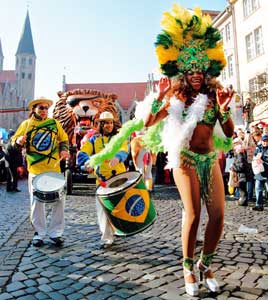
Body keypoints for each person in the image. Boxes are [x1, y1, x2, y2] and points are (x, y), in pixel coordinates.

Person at [136, 5, 234, 296]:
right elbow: (148, 121)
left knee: (218, 215)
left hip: (209, 159)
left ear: (206, 73)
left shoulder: (215, 98)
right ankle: (188, 266)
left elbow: (228, 133)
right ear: (182, 73)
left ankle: (207, 263)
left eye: (200, 71)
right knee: (193, 214)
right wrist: (161, 97)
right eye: (190, 71)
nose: (195, 75)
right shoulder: (175, 100)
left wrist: (225, 111)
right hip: (184, 161)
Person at [11, 97, 69, 247]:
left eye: (46, 108)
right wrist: (18, 142)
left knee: (59, 202)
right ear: (34, 109)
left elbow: (64, 140)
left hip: (54, 170)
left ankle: (56, 233)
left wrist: (63, 150)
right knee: (37, 203)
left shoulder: (54, 124)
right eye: (41, 108)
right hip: (36, 170)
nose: (44, 111)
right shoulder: (27, 124)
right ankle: (39, 233)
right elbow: (13, 142)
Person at [77, 111, 128, 248]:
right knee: (103, 210)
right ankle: (107, 238)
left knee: (117, 208)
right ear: (101, 124)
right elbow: (83, 153)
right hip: (102, 180)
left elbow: (124, 149)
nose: (109, 125)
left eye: (111, 122)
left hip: (119, 179)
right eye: (106, 123)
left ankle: (118, 229)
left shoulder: (119, 138)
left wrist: (118, 157)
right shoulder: (94, 140)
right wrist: (88, 162)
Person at [252, 134, 268, 211]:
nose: (265, 142)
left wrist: (264, 161)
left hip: (267, 172)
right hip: (259, 173)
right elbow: (254, 156)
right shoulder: (258, 148)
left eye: (266, 141)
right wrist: (256, 159)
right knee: (258, 189)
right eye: (264, 141)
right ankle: (259, 205)